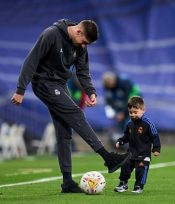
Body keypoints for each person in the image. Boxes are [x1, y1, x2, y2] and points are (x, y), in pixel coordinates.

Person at [10, 19, 131, 193]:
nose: (83, 46)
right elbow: (31, 61)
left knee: (64, 131)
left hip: (60, 85)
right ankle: (107, 157)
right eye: (83, 42)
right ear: (78, 32)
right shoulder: (51, 34)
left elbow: (83, 72)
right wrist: (20, 89)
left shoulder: (81, 46)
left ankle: (67, 182)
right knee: (76, 113)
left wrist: (90, 91)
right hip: (43, 83)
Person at [113, 96, 161, 194]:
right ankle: (123, 184)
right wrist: (121, 141)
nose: (133, 115)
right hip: (131, 152)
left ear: (143, 110)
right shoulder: (129, 123)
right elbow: (126, 135)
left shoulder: (147, 123)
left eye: (136, 112)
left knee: (141, 170)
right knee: (125, 167)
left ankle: (139, 186)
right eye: (131, 112)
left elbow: (155, 136)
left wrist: (156, 149)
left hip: (143, 154)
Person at [102, 71, 141, 147]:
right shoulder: (108, 88)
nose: (109, 86)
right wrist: (114, 114)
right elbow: (109, 102)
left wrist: (122, 113)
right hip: (124, 105)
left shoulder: (124, 82)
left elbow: (128, 99)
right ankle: (122, 143)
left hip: (133, 101)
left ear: (112, 81)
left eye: (110, 84)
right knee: (119, 123)